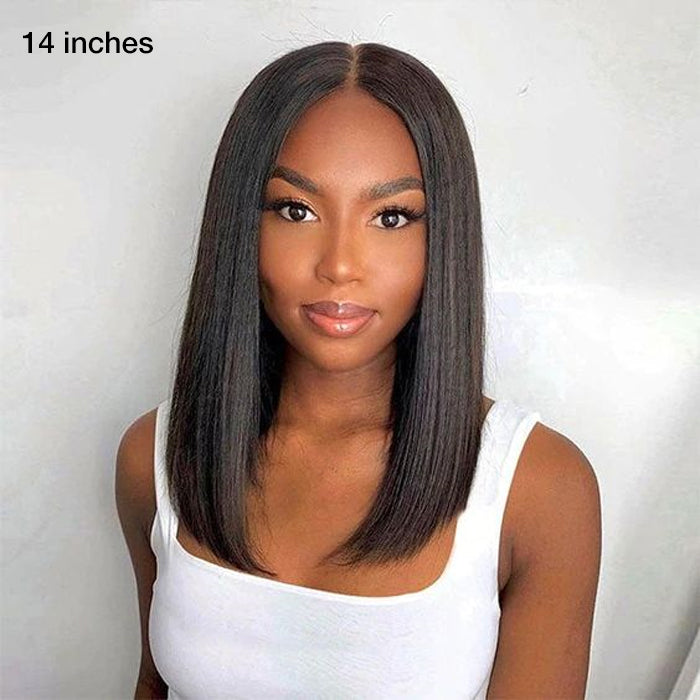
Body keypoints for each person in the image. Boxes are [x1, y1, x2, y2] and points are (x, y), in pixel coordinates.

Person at [115, 41, 601, 699]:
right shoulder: (155, 456)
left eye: (391, 217)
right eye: (296, 210)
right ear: (241, 226)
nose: (340, 264)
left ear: (442, 238)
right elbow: (154, 683)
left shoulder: (539, 489)